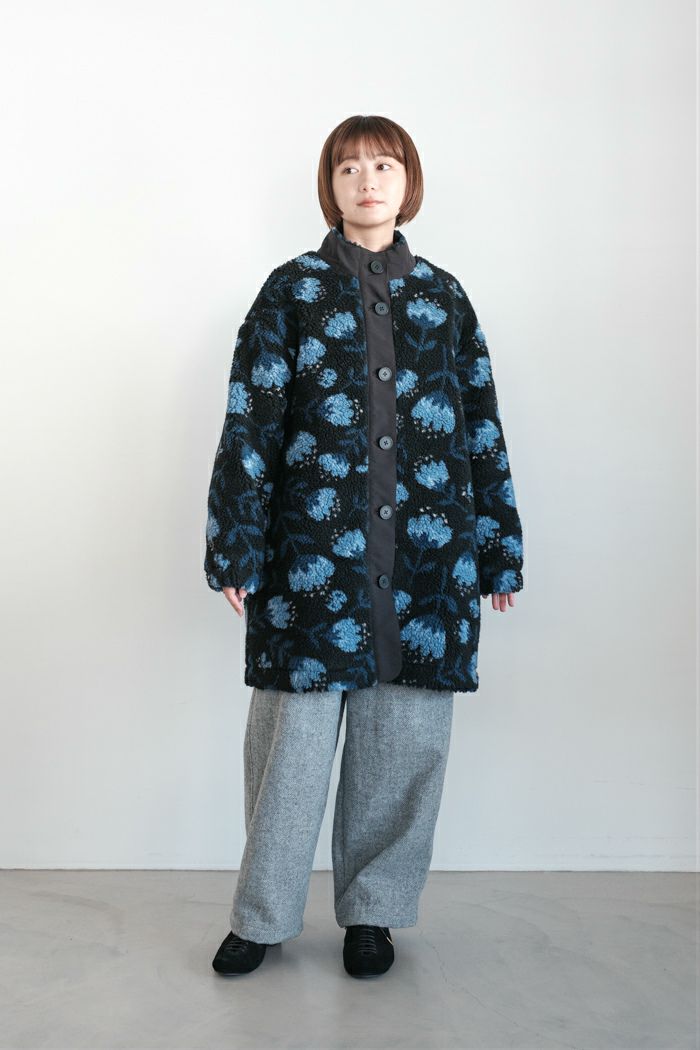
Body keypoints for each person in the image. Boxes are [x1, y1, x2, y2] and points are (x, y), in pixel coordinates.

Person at [204, 114, 524, 978]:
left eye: (384, 165)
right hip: (312, 562)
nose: (367, 181)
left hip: (427, 565)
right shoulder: (292, 291)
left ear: (408, 182)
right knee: (288, 754)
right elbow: (251, 422)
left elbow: (480, 426)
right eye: (348, 168)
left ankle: (373, 914)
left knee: (403, 747)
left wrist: (498, 549)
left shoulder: (445, 299)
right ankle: (262, 916)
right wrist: (235, 544)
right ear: (330, 186)